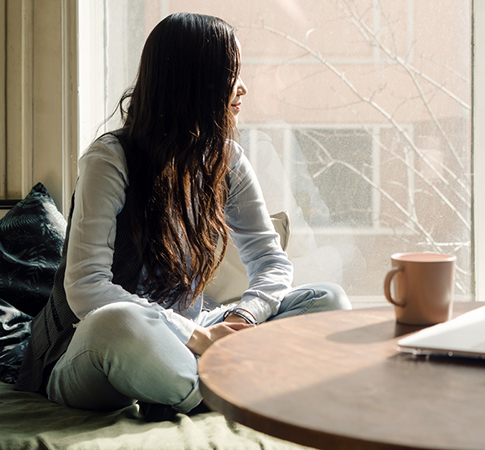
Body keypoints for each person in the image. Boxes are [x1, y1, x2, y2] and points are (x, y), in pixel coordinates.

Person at [14, 12, 351, 420]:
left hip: (194, 333)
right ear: (196, 83)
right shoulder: (109, 160)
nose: (243, 88)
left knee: (328, 300)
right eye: (232, 74)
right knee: (118, 323)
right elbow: (86, 289)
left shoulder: (227, 160)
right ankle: (230, 387)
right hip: (88, 348)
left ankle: (183, 385)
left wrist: (245, 318)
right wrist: (198, 336)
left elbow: (271, 262)